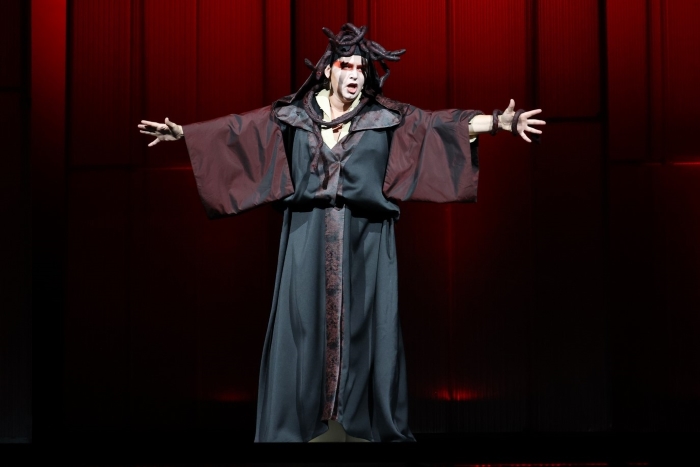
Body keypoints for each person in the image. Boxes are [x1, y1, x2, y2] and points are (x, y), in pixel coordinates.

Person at [138, 23, 545, 443]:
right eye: (346, 66)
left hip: (367, 240)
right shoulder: (294, 115)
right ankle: (297, 425)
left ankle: (365, 423)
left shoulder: (384, 117)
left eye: (361, 68)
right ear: (327, 70)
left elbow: (439, 126)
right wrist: (184, 134)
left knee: (367, 326)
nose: (354, 75)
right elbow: (239, 131)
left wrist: (497, 123)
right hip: (306, 236)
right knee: (302, 327)